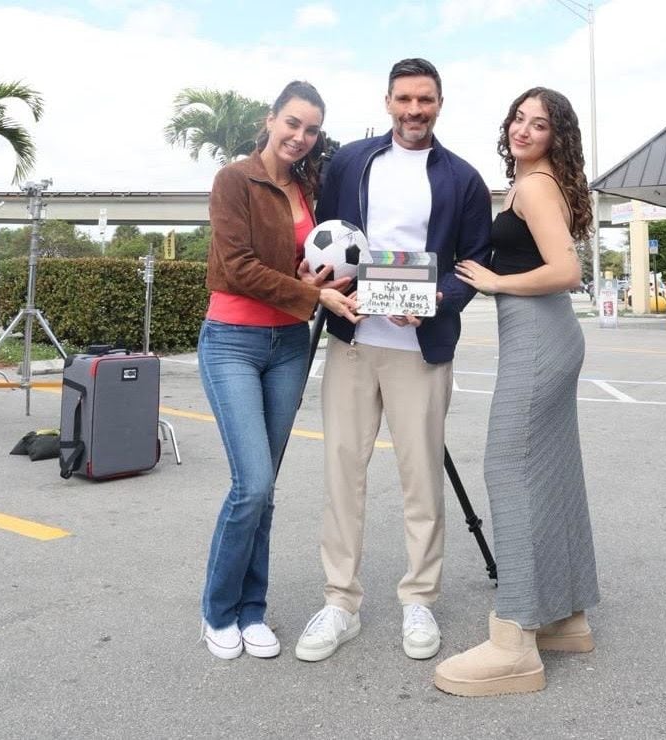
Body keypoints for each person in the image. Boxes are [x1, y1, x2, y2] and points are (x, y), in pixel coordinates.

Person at [295, 58, 492, 663]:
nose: (414, 110)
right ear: (387, 101)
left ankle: (419, 600)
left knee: (420, 480)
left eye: (425, 100)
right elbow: (326, 240)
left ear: (439, 102)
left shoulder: (464, 179)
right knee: (341, 473)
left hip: (421, 350)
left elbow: (473, 266)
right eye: (404, 99)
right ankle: (339, 601)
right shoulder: (351, 161)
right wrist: (316, 277)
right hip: (353, 342)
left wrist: (436, 300)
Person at [433, 87, 601, 695]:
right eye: (518, 118)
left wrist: (495, 280)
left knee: (506, 467)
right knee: (551, 472)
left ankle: (515, 641)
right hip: (550, 335)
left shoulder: (534, 187)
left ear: (558, 136)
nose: (524, 130)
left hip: (538, 336)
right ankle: (565, 616)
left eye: (540, 123)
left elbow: (567, 270)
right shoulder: (540, 183)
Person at [198, 80, 359, 660]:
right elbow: (237, 266)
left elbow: (305, 260)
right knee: (253, 484)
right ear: (271, 120)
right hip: (234, 341)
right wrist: (312, 295)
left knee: (265, 492)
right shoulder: (234, 179)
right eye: (292, 123)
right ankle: (218, 610)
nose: (300, 136)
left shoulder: (308, 186)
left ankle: (252, 610)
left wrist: (315, 283)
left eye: (311, 129)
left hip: (289, 344)